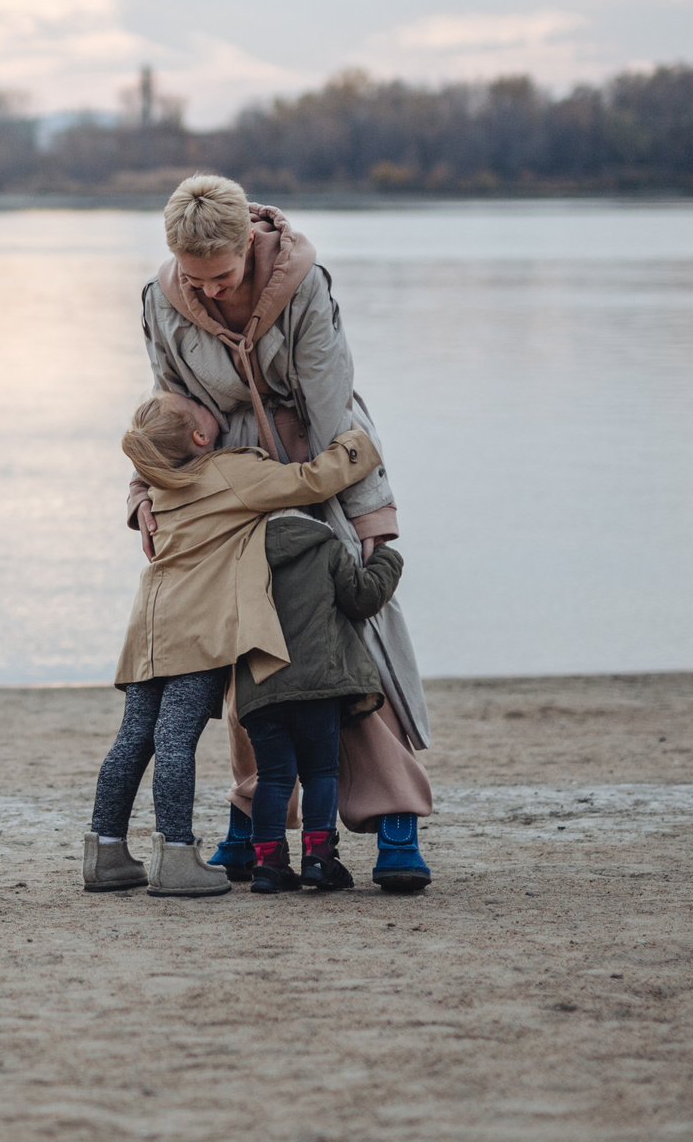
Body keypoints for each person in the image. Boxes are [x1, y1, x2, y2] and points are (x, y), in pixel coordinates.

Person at [130, 173, 435, 892]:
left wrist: (371, 519)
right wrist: (147, 488)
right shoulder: (160, 299)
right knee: (248, 654)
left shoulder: (304, 286)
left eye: (221, 275)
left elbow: (335, 407)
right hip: (222, 487)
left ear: (248, 246)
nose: (206, 291)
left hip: (320, 466)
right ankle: (253, 827)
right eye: (192, 277)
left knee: (356, 641)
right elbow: (165, 405)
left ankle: (397, 819)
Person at [87, 393, 379, 897]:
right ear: (201, 437)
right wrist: (357, 445)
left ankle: (105, 853)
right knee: (176, 738)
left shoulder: (158, 482)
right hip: (195, 631)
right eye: (197, 405)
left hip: (148, 625)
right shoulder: (228, 474)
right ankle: (175, 857)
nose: (208, 403)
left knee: (135, 737)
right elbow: (309, 480)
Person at [235, 508, 406, 892]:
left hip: (260, 688)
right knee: (320, 774)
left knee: (274, 778)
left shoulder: (243, 551)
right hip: (317, 685)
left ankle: (266, 862)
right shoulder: (326, 547)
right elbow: (362, 598)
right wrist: (386, 557)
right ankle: (319, 857)